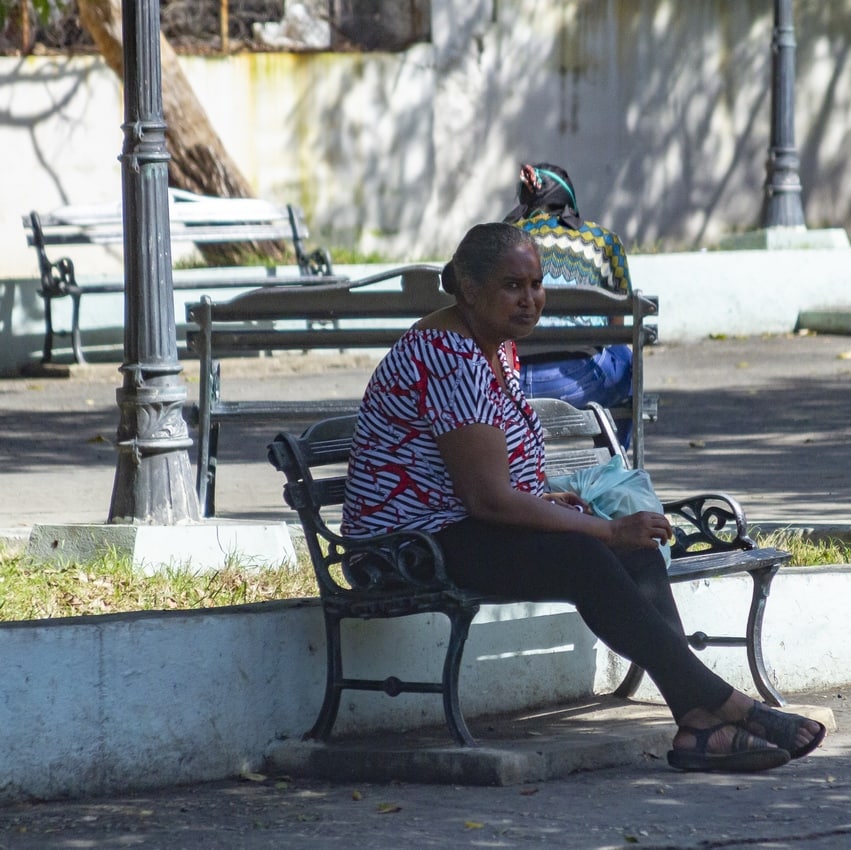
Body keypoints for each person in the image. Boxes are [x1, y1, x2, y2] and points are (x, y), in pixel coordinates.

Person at [340, 221, 825, 773]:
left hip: (460, 529)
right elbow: (487, 501)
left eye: (536, 284)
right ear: (469, 289)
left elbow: (486, 475)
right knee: (587, 553)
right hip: (407, 547)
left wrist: (551, 498)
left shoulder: (496, 347)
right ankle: (725, 704)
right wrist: (605, 529)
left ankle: (697, 722)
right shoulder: (450, 356)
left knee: (635, 549)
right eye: (512, 286)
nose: (530, 299)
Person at [502, 162, 637, 446]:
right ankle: (613, 460)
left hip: (508, 383)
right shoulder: (602, 242)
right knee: (627, 364)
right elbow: (617, 329)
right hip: (580, 382)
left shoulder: (500, 243)